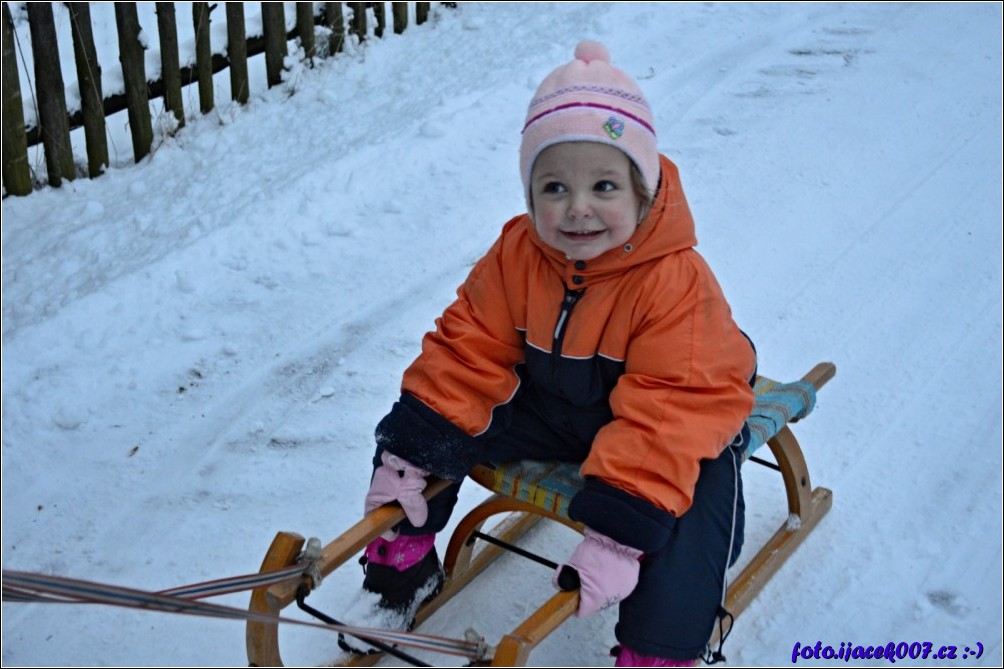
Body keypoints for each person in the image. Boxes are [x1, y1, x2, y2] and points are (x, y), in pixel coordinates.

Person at [349, 40, 757, 667]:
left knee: (691, 494)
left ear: (643, 191)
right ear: (529, 190)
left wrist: (620, 536)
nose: (578, 209)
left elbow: (672, 412)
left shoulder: (673, 280)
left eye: (603, 185)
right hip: (562, 407)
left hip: (668, 421)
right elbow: (468, 354)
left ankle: (659, 650)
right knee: (432, 422)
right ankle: (403, 570)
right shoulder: (519, 252)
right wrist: (413, 452)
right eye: (554, 186)